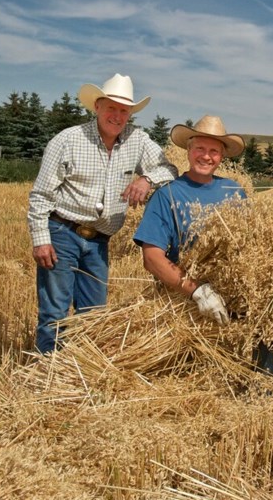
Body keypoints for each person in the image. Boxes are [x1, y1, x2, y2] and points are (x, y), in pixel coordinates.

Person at [29, 73, 178, 354]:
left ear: (130, 114)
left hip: (99, 242)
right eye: (111, 107)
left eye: (124, 110)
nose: (117, 115)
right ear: (96, 106)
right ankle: (47, 376)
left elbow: (169, 169)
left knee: (94, 315)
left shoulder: (138, 140)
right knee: (55, 313)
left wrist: (146, 180)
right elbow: (41, 195)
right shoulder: (68, 140)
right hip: (62, 232)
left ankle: (81, 373)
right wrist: (40, 238)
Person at [133, 115, 248, 326]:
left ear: (222, 155)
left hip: (235, 299)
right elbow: (152, 258)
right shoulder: (167, 195)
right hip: (188, 307)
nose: (206, 156)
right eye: (200, 149)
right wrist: (197, 291)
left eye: (214, 151)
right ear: (188, 150)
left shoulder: (234, 191)